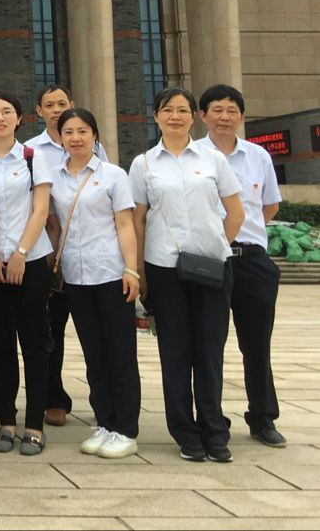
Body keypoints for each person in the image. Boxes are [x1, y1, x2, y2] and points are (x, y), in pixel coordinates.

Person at [132, 86, 244, 464]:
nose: (175, 117)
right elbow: (138, 220)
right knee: (175, 353)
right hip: (164, 270)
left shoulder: (213, 160)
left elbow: (236, 212)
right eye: (168, 110)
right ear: (156, 117)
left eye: (182, 110)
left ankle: (215, 430)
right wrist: (140, 270)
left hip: (212, 270)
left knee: (210, 353)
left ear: (194, 116)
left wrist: (216, 246)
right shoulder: (144, 164)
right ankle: (185, 432)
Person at [194, 84, 286, 447]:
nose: (224, 117)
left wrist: (243, 236)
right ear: (203, 116)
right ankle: (211, 419)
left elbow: (269, 206)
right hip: (208, 261)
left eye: (232, 110)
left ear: (242, 117)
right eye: (217, 110)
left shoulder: (258, 156)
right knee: (208, 344)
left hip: (251, 261)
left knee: (257, 343)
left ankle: (263, 418)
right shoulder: (193, 155)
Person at [48, 107, 142, 459]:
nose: (75, 138)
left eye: (82, 131)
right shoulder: (54, 178)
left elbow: (125, 225)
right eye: (68, 132)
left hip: (111, 273)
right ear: (60, 138)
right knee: (93, 354)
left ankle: (126, 429)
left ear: (95, 135)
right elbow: (53, 224)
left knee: (120, 352)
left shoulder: (113, 175)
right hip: (76, 276)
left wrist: (132, 269)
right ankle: (104, 421)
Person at [0, 92, 52, 455]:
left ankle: (34, 425)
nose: (0, 117)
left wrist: (20, 253)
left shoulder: (34, 158)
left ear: (19, 118)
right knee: (0, 345)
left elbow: (41, 211)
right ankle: (6, 420)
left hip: (29, 263)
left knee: (34, 345)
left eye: (7, 111)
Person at [25, 83, 108, 427]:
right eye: (49, 105)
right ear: (39, 111)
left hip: (93, 255)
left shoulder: (94, 147)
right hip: (51, 259)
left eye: (62, 103)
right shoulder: (30, 151)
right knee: (51, 333)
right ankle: (54, 398)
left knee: (96, 335)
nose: (56, 109)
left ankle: (104, 402)